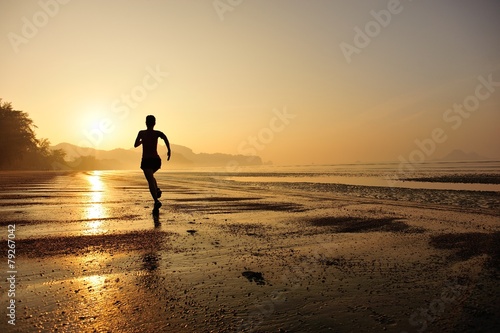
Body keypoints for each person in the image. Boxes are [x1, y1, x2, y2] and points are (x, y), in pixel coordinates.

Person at [134, 115, 171, 212]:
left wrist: (142, 141)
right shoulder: (157, 133)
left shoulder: (141, 133)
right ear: (154, 123)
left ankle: (156, 201)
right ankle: (157, 189)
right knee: (151, 177)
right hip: (156, 160)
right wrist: (169, 150)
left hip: (147, 160)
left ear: (146, 123)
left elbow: (135, 145)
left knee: (150, 180)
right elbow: (165, 138)